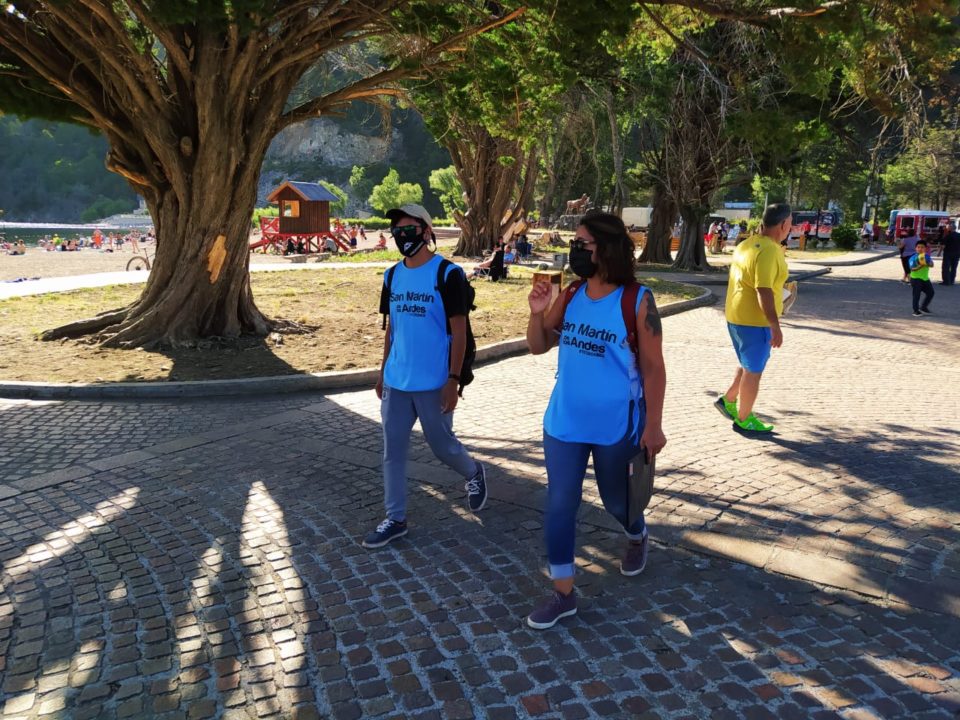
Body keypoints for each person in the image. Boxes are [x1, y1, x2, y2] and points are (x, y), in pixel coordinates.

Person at [524, 212, 667, 630]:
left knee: (617, 503)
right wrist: (537, 313)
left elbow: (654, 369)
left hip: (615, 426)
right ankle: (563, 594)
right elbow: (538, 346)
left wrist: (653, 425)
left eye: (582, 243)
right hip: (564, 421)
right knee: (559, 504)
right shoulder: (570, 295)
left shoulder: (637, 300)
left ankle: (636, 532)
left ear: (605, 248)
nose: (575, 250)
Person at [365, 203, 488, 548]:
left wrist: (454, 379)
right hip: (396, 381)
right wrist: (382, 371)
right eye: (397, 231)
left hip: (435, 381)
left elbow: (459, 331)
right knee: (393, 451)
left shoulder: (447, 274)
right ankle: (396, 518)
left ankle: (473, 472)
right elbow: (391, 330)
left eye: (408, 229)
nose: (401, 236)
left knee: (442, 446)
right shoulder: (391, 276)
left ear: (425, 230)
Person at [715, 203, 790, 434]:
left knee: (747, 364)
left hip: (736, 316)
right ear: (783, 224)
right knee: (754, 371)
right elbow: (763, 289)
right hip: (755, 322)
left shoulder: (747, 244)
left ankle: (728, 400)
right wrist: (774, 325)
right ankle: (744, 418)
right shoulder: (769, 249)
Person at [908, 240, 935, 316]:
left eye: (922, 247)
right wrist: (921, 265)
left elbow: (932, 265)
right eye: (918, 247)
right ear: (915, 248)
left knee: (931, 293)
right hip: (916, 279)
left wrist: (929, 263)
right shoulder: (913, 258)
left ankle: (923, 307)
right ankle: (915, 311)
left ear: (925, 248)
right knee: (916, 295)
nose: (920, 249)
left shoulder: (926, 256)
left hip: (925, 278)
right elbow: (912, 269)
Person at [940, 221, 960, 285]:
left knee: (946, 267)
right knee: (954, 267)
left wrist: (939, 253)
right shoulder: (959, 235)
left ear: (951, 228)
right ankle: (952, 280)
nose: (947, 228)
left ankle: (946, 281)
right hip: (957, 253)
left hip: (948, 253)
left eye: (948, 227)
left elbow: (943, 246)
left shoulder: (947, 236)